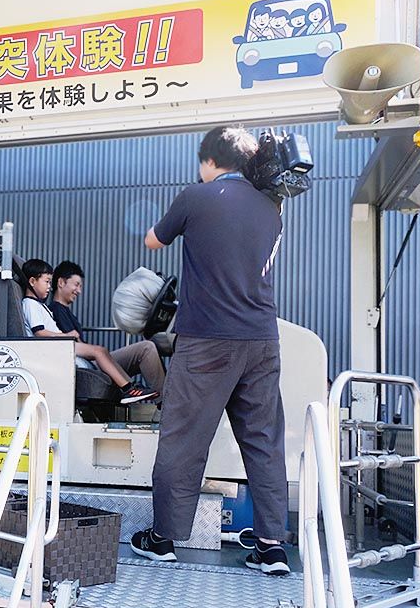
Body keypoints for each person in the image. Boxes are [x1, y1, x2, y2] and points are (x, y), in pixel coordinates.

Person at [129, 126, 290, 574]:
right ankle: (271, 547)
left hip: (206, 341)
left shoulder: (196, 197)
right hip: (262, 340)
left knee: (184, 438)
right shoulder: (272, 208)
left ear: (212, 160)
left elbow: (153, 240)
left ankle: (163, 538)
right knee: (263, 441)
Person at [21, 258, 158, 405]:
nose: (49, 286)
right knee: (99, 351)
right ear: (32, 281)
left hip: (63, 345)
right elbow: (39, 332)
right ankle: (128, 389)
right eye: (47, 282)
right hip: (62, 347)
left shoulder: (40, 306)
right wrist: (66, 335)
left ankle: (130, 387)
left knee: (101, 351)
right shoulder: (31, 304)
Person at [49, 260, 166, 396]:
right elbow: (73, 345)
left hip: (95, 361)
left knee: (147, 348)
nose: (79, 291)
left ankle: (163, 400)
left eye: (80, 286)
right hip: (92, 364)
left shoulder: (65, 311)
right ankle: (165, 401)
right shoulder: (56, 310)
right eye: (76, 285)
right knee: (146, 348)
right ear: (61, 283)